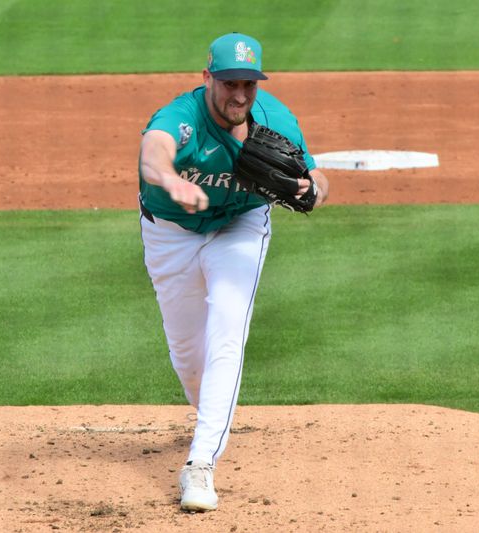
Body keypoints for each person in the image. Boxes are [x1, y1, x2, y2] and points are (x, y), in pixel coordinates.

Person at [138, 32, 329, 512]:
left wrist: (314, 192)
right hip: (171, 231)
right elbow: (153, 152)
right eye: (229, 84)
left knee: (227, 325)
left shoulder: (275, 120)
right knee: (187, 353)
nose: (239, 95)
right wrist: (170, 179)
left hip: (241, 225)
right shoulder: (181, 118)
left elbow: (316, 175)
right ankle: (212, 417)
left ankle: (200, 464)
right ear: (208, 79)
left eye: (248, 84)